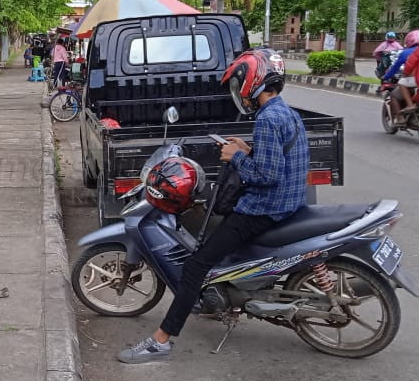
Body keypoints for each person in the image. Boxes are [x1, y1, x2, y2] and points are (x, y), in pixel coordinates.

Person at [118, 49, 309, 364]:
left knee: (195, 266)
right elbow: (279, 159)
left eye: (239, 83)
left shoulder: (267, 119)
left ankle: (161, 342)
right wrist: (247, 149)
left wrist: (235, 157)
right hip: (287, 204)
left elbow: (266, 175)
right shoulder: (285, 113)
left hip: (264, 209)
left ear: (255, 81)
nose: (238, 91)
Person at [381, 29, 419, 124]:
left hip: (414, 80)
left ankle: (400, 117)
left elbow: (394, 68)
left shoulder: (406, 52)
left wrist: (385, 77)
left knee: (394, 95)